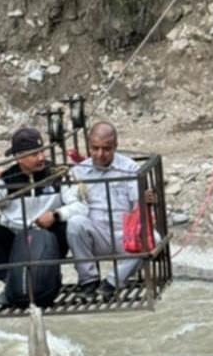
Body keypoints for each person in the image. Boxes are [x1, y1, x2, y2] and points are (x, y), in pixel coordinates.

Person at [0, 127, 86, 303]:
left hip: (49, 237)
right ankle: (12, 283)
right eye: (34, 154)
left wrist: (56, 214)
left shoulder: (57, 174)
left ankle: (53, 277)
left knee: (72, 223)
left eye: (42, 152)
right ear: (18, 157)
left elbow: (81, 207)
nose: (41, 158)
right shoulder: (6, 180)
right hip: (17, 240)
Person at [67, 121, 156, 301]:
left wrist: (146, 199)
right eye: (95, 148)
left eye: (106, 149)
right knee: (75, 223)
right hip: (96, 235)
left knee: (155, 239)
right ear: (89, 146)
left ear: (115, 146)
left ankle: (112, 282)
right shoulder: (79, 171)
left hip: (125, 236)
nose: (100, 154)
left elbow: (137, 203)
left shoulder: (129, 168)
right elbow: (70, 202)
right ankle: (88, 280)